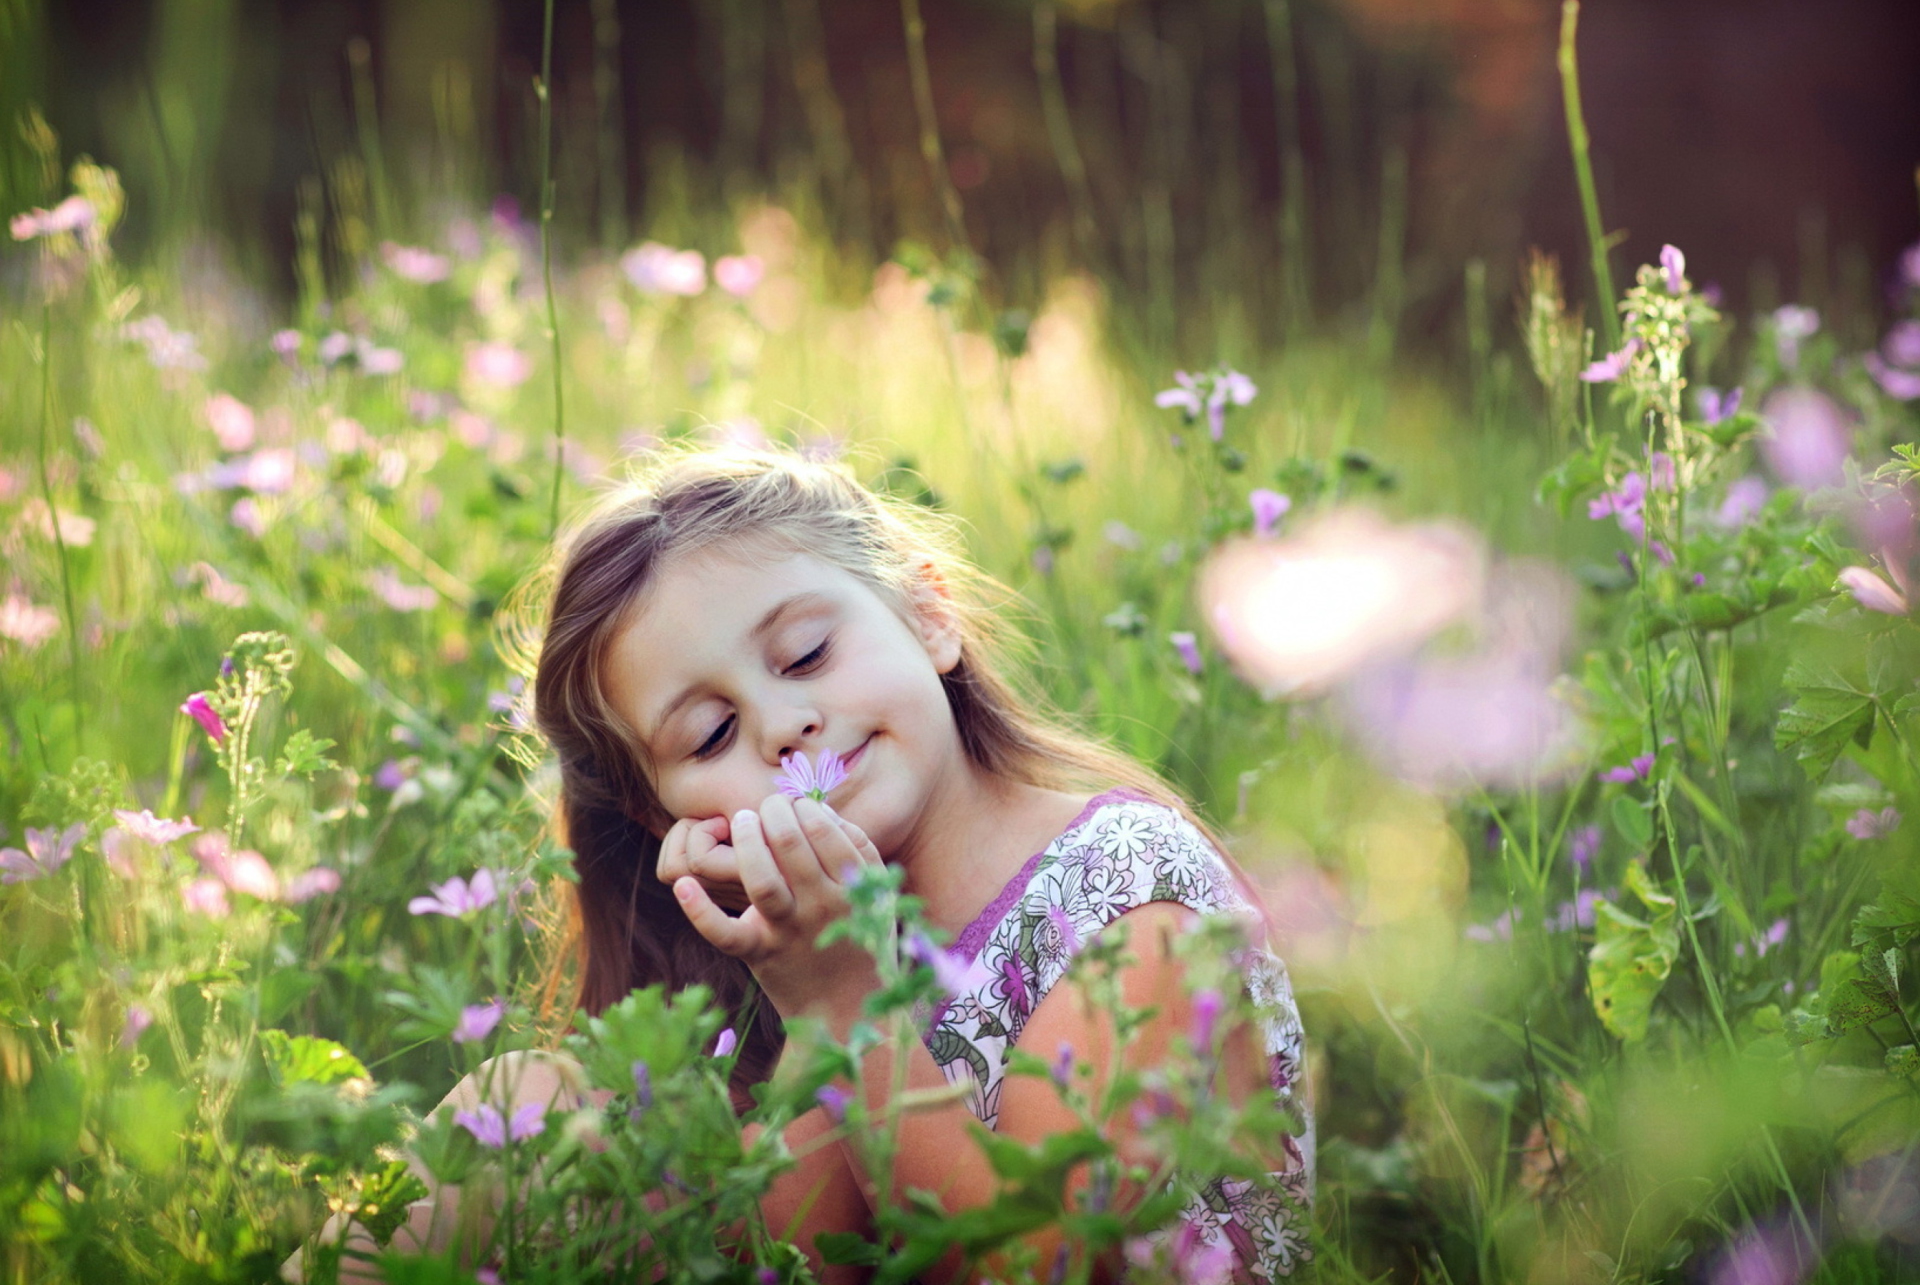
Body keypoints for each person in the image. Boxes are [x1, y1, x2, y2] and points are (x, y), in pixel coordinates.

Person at [295, 444, 1312, 1284]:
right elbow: (802, 1254)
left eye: (807, 655)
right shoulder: (799, 941)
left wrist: (843, 999)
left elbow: (1032, 1264)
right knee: (527, 1104)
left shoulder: (1128, 890)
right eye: (709, 736)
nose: (785, 726)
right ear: (666, 820)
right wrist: (800, 984)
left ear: (929, 615)